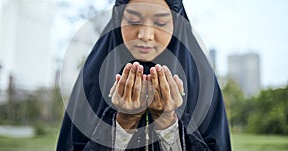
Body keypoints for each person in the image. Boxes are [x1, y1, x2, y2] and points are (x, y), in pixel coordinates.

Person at [57, 0, 231, 150]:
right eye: (133, 20)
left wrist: (168, 124)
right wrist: (123, 123)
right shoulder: (92, 80)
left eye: (161, 23)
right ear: (118, 19)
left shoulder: (202, 82)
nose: (145, 35)